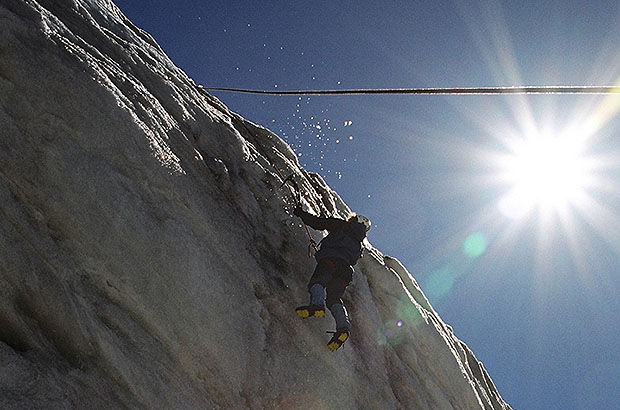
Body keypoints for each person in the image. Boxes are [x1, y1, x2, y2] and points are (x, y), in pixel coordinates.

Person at [293, 205, 371, 351]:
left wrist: (300, 213)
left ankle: (316, 305)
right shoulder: (359, 244)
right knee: (334, 299)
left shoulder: (343, 226)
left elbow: (319, 223)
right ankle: (343, 327)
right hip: (346, 271)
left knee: (318, 282)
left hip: (331, 261)